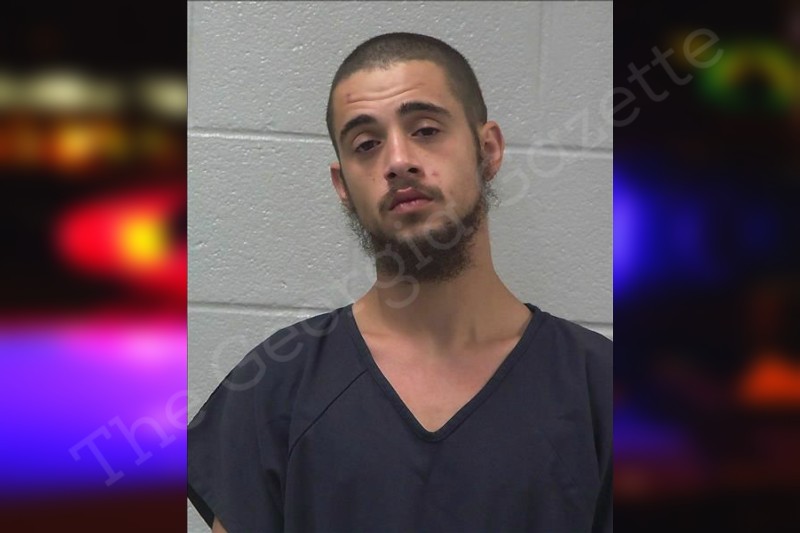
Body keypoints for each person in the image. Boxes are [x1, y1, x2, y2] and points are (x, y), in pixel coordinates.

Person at [188, 32, 612, 533]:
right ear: (343, 186)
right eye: (366, 145)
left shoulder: (601, 389)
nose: (397, 161)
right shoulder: (273, 387)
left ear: (488, 150)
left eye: (426, 130)